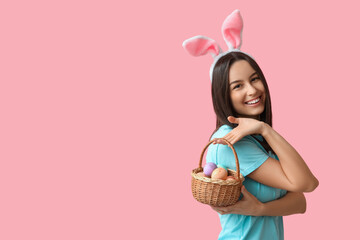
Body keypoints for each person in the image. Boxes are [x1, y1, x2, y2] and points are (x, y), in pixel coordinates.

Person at [183, 10, 319, 240]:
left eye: (254, 79)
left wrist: (261, 209)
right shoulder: (230, 143)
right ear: (222, 95)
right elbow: (306, 183)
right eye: (237, 86)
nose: (252, 90)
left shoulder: (254, 137)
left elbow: (300, 201)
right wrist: (265, 129)